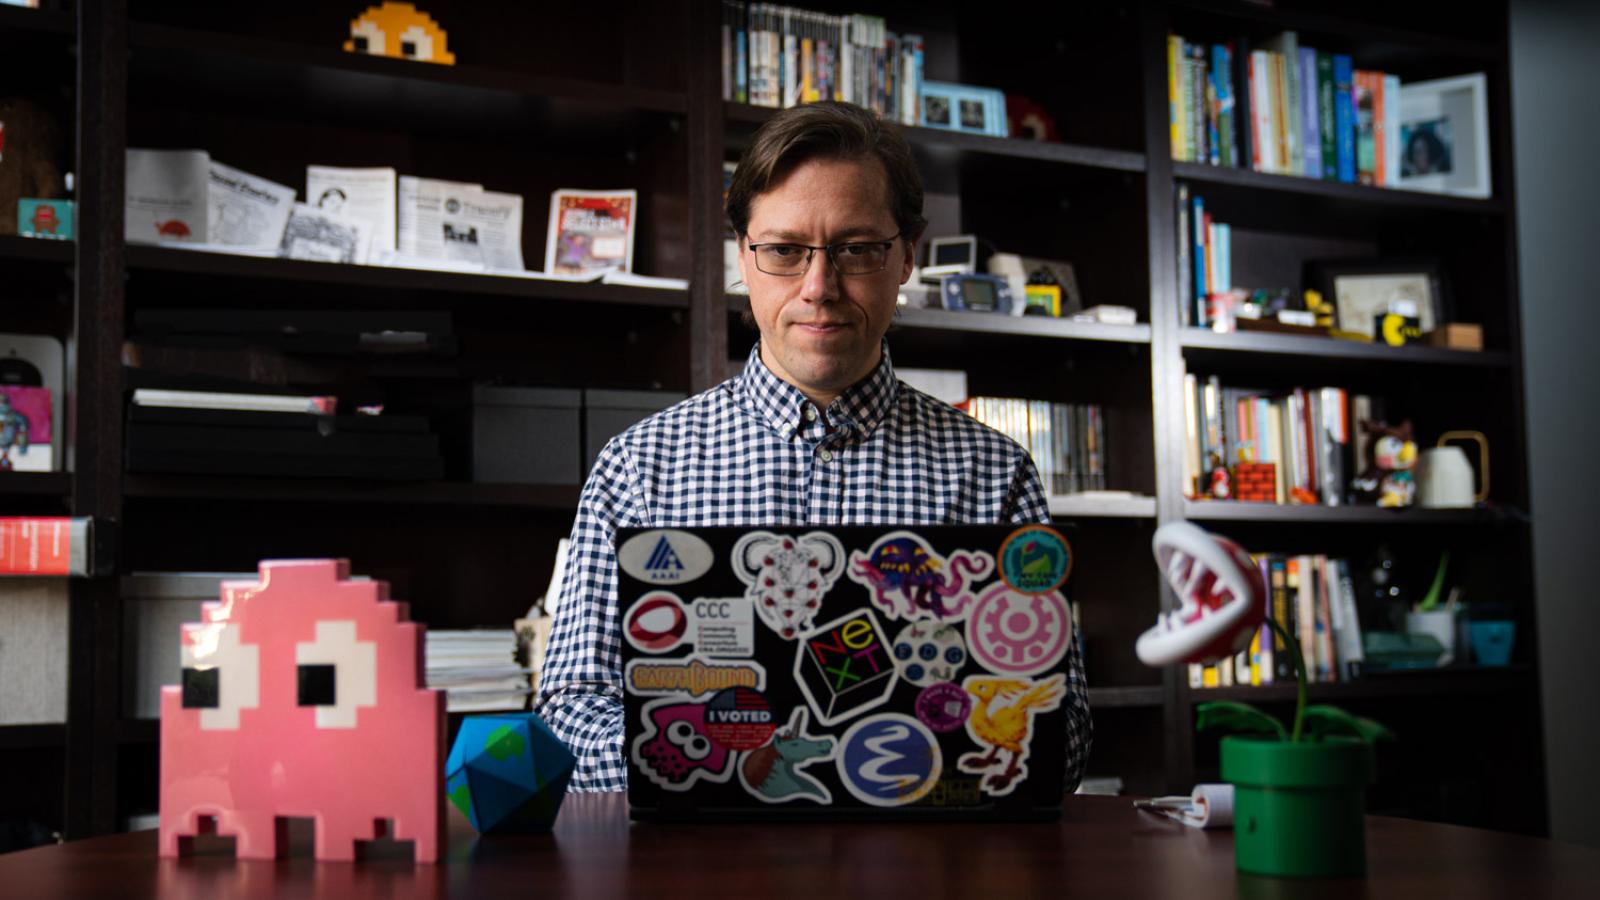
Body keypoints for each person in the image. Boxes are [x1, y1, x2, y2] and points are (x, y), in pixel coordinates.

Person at [536, 100, 1092, 792]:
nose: (819, 287)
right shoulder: (639, 467)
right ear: (744, 256)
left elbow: (1061, 733)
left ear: (908, 257)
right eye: (784, 250)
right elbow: (570, 712)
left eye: (857, 249)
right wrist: (706, 770)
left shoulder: (994, 472)